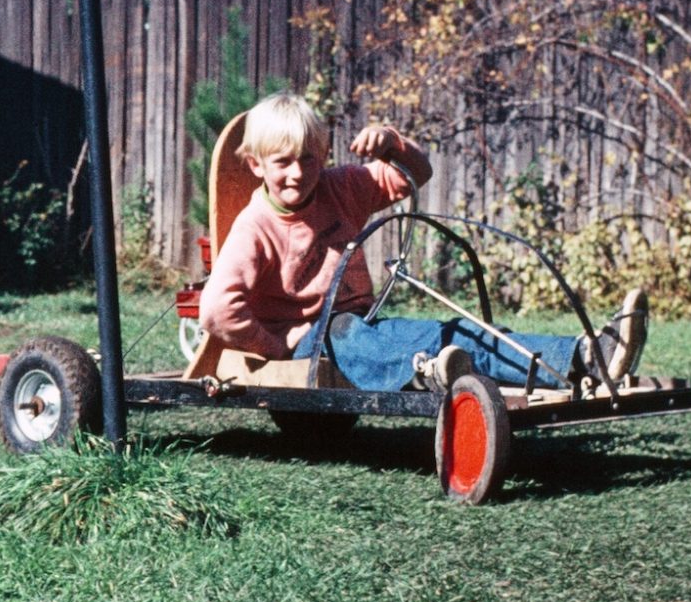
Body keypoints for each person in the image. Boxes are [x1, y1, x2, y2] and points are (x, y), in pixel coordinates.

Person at [198, 92, 645, 393]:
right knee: (425, 339)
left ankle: (577, 358)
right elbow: (217, 310)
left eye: (308, 159)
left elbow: (414, 176)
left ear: (324, 155)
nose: (297, 173)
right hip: (314, 342)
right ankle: (573, 360)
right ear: (256, 165)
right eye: (282, 163)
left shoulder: (341, 188)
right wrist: (276, 345)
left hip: (356, 324)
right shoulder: (254, 226)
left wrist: (393, 145)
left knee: (448, 333)